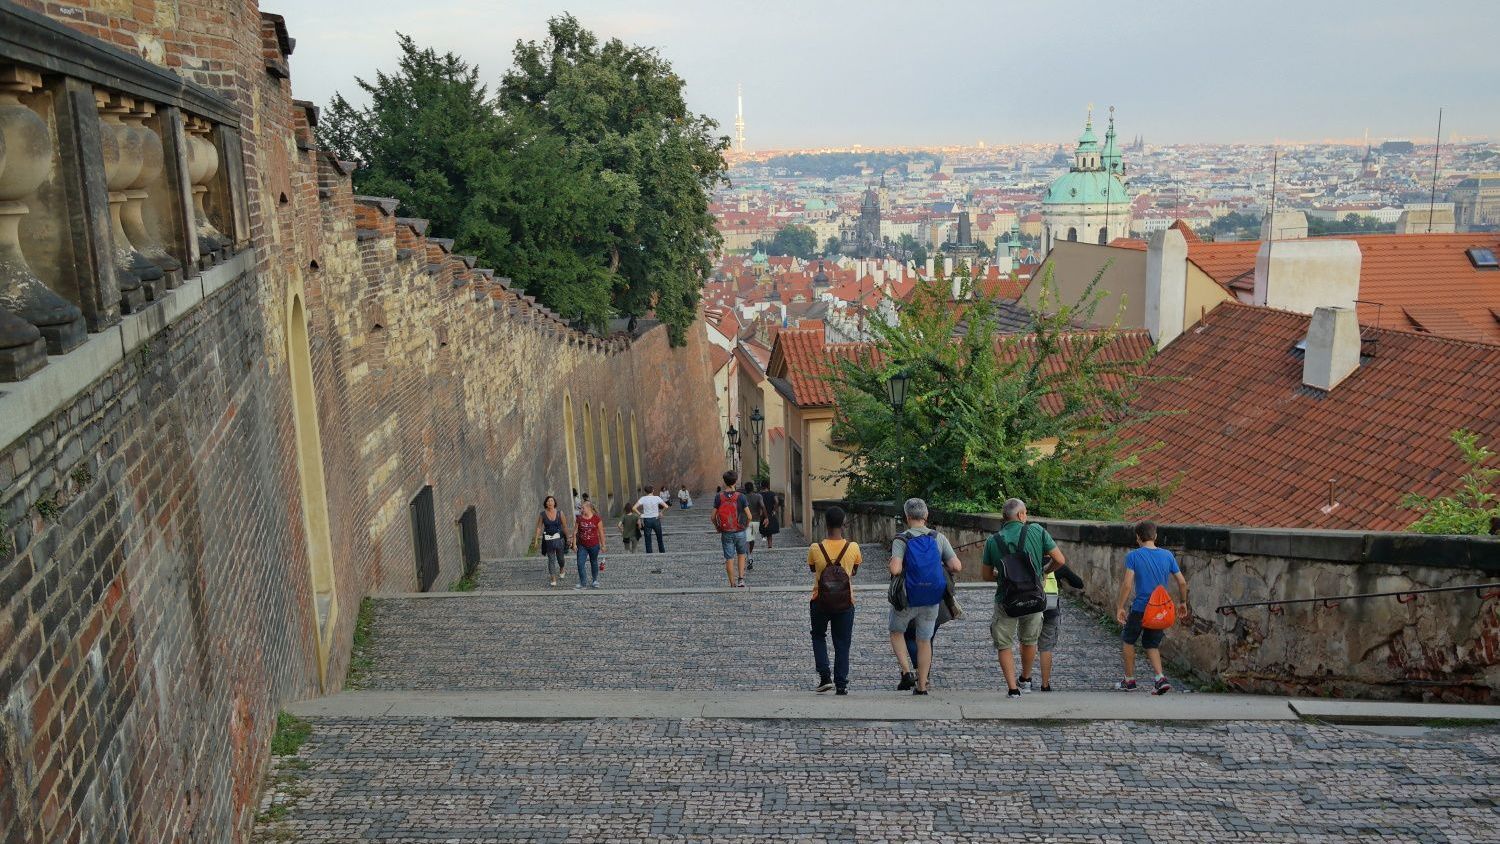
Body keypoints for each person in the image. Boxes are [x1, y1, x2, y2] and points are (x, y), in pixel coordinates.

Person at [982, 498, 1065, 699]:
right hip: (1034, 597)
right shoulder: (1037, 531)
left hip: (1006, 598)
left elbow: (985, 576)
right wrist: (1044, 573)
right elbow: (1060, 560)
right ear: (1020, 515)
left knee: (1004, 643)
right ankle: (1026, 678)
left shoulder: (993, 541)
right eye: (1025, 513)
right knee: (1029, 640)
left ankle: (1012, 689)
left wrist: (1002, 575)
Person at [888, 498, 960, 695]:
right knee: (924, 640)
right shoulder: (938, 537)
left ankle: (906, 671)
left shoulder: (902, 539)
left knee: (896, 631)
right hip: (932, 598)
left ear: (907, 517)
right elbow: (956, 566)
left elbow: (895, 569)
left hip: (908, 597)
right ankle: (922, 685)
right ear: (926, 516)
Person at [1116, 521, 1189, 694]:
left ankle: (1129, 680)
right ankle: (1160, 678)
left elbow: (1127, 584)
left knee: (1128, 639)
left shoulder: (1134, 556)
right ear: (1155, 536)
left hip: (1141, 607)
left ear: (1138, 538)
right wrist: (1183, 602)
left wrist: (1120, 606)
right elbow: (1182, 582)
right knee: (1151, 644)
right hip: (1160, 609)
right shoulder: (1168, 555)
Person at [808, 506, 860, 695]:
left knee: (818, 636)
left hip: (820, 600)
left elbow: (813, 570)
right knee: (843, 642)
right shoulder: (853, 547)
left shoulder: (815, 548)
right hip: (846, 601)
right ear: (844, 523)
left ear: (825, 523)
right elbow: (854, 570)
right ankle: (841, 684)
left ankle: (824, 677)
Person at [713, 470, 753, 587]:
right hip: (740, 530)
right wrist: (745, 526)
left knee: (729, 558)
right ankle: (741, 579)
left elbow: (712, 516)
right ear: (735, 481)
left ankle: (732, 583)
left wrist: (717, 527)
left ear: (724, 482)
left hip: (726, 532)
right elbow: (749, 516)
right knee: (741, 554)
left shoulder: (718, 497)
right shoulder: (741, 497)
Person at [534, 495, 571, 588]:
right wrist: (536, 539)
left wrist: (568, 538)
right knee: (551, 559)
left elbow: (565, 526)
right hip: (549, 540)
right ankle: (553, 578)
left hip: (559, 539)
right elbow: (539, 527)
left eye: (551, 501)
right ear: (546, 503)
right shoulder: (542, 514)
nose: (550, 502)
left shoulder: (560, 513)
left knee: (560, 558)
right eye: (548, 501)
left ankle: (562, 568)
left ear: (554, 503)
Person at [574, 500, 606, 589]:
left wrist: (603, 545)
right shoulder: (579, 518)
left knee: (594, 562)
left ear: (589, 508)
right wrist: (574, 544)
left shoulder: (596, 519)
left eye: (583, 508)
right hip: (582, 546)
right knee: (580, 563)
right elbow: (575, 532)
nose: (581, 510)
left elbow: (601, 533)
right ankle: (583, 582)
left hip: (594, 545)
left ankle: (595, 580)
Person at [633, 486, 668, 553]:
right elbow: (666, 506)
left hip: (647, 520)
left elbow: (634, 508)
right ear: (653, 490)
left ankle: (649, 553)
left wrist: (640, 514)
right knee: (659, 537)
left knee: (647, 538)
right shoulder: (657, 498)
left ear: (645, 491)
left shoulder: (643, 498)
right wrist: (661, 512)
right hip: (656, 519)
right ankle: (662, 551)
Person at [743, 482, 764, 571]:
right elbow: (762, 506)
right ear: (753, 488)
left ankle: (748, 556)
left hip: (745, 520)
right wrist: (766, 517)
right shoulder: (758, 496)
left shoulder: (743, 497)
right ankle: (749, 555)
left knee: (746, 539)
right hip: (755, 521)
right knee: (751, 539)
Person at [760, 480, 781, 549]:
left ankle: (763, 537)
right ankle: (770, 545)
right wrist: (774, 510)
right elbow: (777, 501)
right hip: (770, 513)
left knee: (763, 528)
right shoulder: (772, 493)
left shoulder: (759, 494)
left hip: (762, 514)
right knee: (770, 531)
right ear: (768, 486)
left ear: (761, 486)